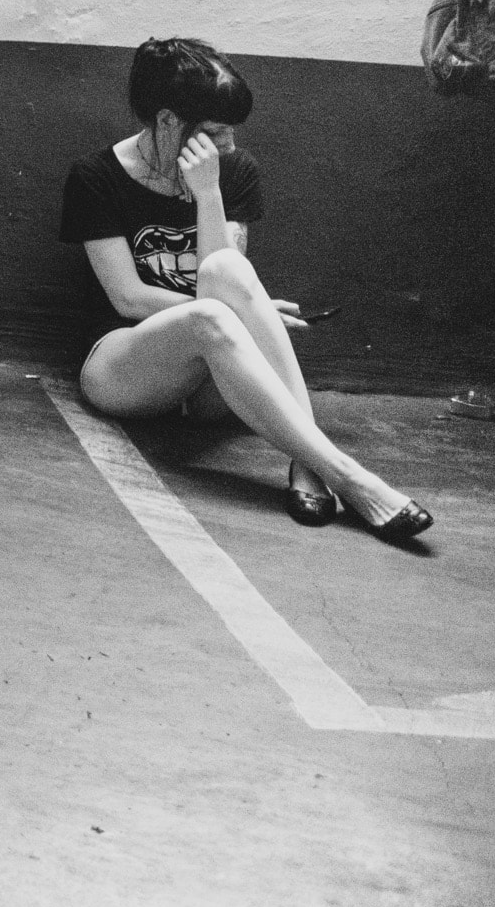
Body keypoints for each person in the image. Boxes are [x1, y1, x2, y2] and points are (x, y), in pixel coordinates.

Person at [59, 39, 432, 539]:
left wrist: (208, 192)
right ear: (168, 120)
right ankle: (348, 476)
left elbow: (219, 270)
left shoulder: (231, 172)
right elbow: (127, 297)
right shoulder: (95, 177)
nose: (229, 144)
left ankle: (306, 466)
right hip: (125, 366)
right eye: (215, 131)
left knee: (230, 276)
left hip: (216, 382)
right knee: (212, 316)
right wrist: (241, 315)